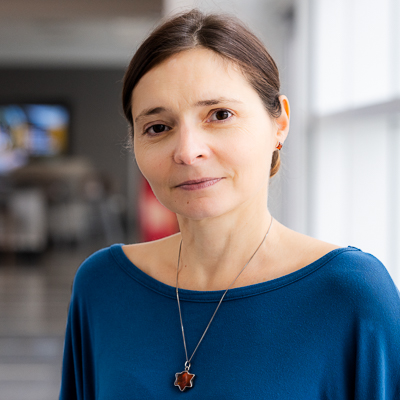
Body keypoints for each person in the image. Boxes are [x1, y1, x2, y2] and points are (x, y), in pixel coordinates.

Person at [59, 9, 400, 399]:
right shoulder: (102, 286)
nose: (188, 151)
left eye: (220, 115)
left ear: (280, 123)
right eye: (158, 127)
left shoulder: (351, 294)